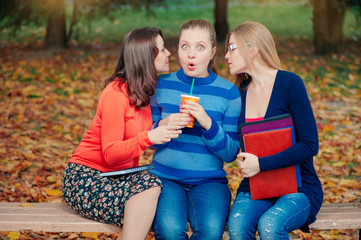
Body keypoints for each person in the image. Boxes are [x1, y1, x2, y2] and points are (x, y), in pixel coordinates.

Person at [62, 27, 182, 240]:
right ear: (146, 57)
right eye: (162, 50)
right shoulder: (116, 93)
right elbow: (110, 152)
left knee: (161, 196)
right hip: (86, 178)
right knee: (151, 188)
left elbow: (140, 133)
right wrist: (149, 137)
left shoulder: (144, 91)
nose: (168, 54)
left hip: (117, 178)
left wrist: (160, 125)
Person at [225, 21, 323, 239]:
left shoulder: (290, 84)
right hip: (256, 187)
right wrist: (206, 122)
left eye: (232, 48)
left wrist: (261, 164)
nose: (226, 55)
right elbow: (232, 147)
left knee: (270, 224)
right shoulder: (238, 94)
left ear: (253, 50)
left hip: (299, 186)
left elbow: (310, 145)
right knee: (238, 226)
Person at [150, 19, 242, 240]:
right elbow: (148, 140)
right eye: (185, 46)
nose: (191, 54)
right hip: (165, 178)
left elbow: (230, 153)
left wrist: (208, 123)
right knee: (170, 232)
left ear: (212, 52)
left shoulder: (229, 93)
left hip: (210, 181)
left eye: (200, 47)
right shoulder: (159, 86)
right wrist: (164, 125)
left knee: (210, 233)